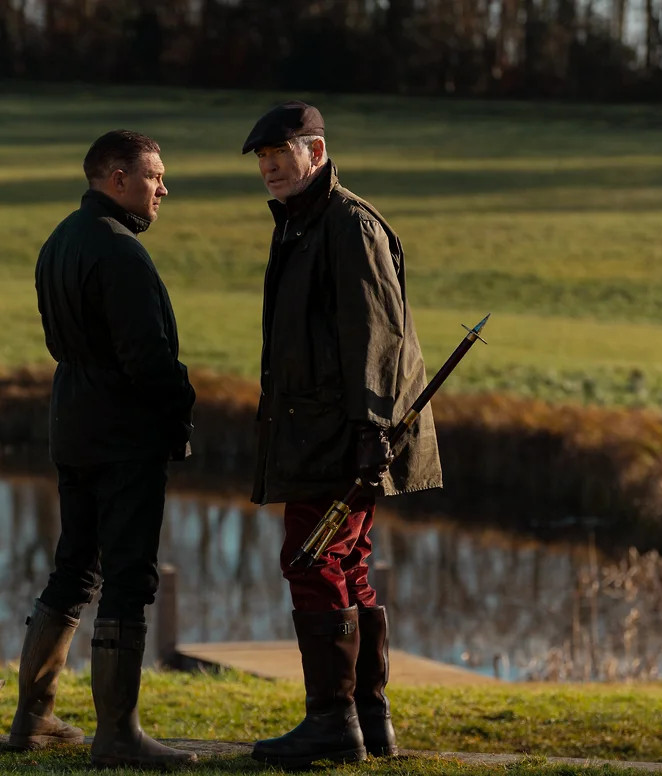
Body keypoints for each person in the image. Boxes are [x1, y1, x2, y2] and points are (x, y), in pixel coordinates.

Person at [241, 102, 443, 768]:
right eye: (263, 159)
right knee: (344, 562)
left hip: (342, 437)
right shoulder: (302, 222)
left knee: (312, 560)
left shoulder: (348, 223)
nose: (270, 169)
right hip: (322, 432)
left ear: (317, 151)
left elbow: (377, 335)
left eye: (281, 154)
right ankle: (366, 719)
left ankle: (332, 721)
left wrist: (372, 432)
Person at [9, 129, 197, 768]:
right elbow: (148, 360)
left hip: (73, 425)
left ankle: (33, 716)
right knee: (128, 578)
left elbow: (59, 344)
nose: (163, 188)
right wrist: (181, 409)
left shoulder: (58, 241)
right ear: (117, 178)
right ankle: (118, 734)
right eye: (154, 176)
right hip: (123, 436)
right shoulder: (120, 253)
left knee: (73, 568)